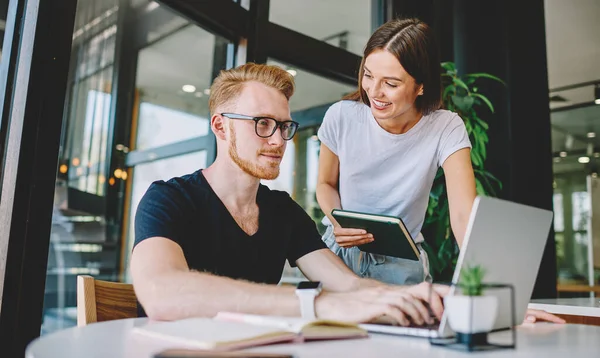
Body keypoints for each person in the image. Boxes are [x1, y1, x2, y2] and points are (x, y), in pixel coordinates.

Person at [130, 62, 447, 327]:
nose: (279, 140)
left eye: (284, 126)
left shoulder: (282, 211)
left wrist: (412, 297)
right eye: (263, 124)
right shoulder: (168, 199)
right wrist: (317, 304)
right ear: (221, 126)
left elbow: (349, 284)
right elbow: (162, 293)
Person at [316, 17, 476, 285]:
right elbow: (325, 183)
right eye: (368, 75)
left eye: (390, 84)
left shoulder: (445, 127)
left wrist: (482, 288)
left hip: (399, 262)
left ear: (421, 85)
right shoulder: (341, 116)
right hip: (338, 252)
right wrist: (337, 220)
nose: (374, 92)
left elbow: (463, 215)